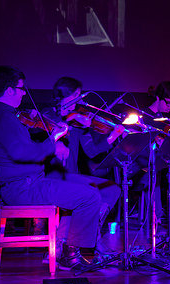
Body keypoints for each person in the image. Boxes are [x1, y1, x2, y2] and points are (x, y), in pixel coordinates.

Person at [0, 65, 102, 271]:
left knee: (91, 191)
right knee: (90, 197)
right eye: (21, 89)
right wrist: (54, 139)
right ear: (10, 90)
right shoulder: (3, 117)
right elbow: (21, 152)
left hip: (27, 183)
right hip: (23, 187)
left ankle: (71, 251)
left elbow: (23, 148)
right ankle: (70, 256)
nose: (23, 93)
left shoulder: (3, 116)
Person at [39, 77, 124, 258]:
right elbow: (49, 126)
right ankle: (71, 246)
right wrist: (63, 134)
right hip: (52, 178)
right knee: (87, 194)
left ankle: (92, 237)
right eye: (77, 95)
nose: (82, 100)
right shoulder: (48, 114)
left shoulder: (79, 122)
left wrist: (112, 137)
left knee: (112, 189)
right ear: (65, 94)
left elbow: (92, 151)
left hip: (73, 176)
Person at [124, 81, 170, 222]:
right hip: (142, 163)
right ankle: (155, 216)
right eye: (168, 103)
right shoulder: (142, 116)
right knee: (154, 170)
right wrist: (153, 140)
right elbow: (132, 145)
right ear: (157, 97)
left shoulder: (168, 119)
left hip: (164, 161)